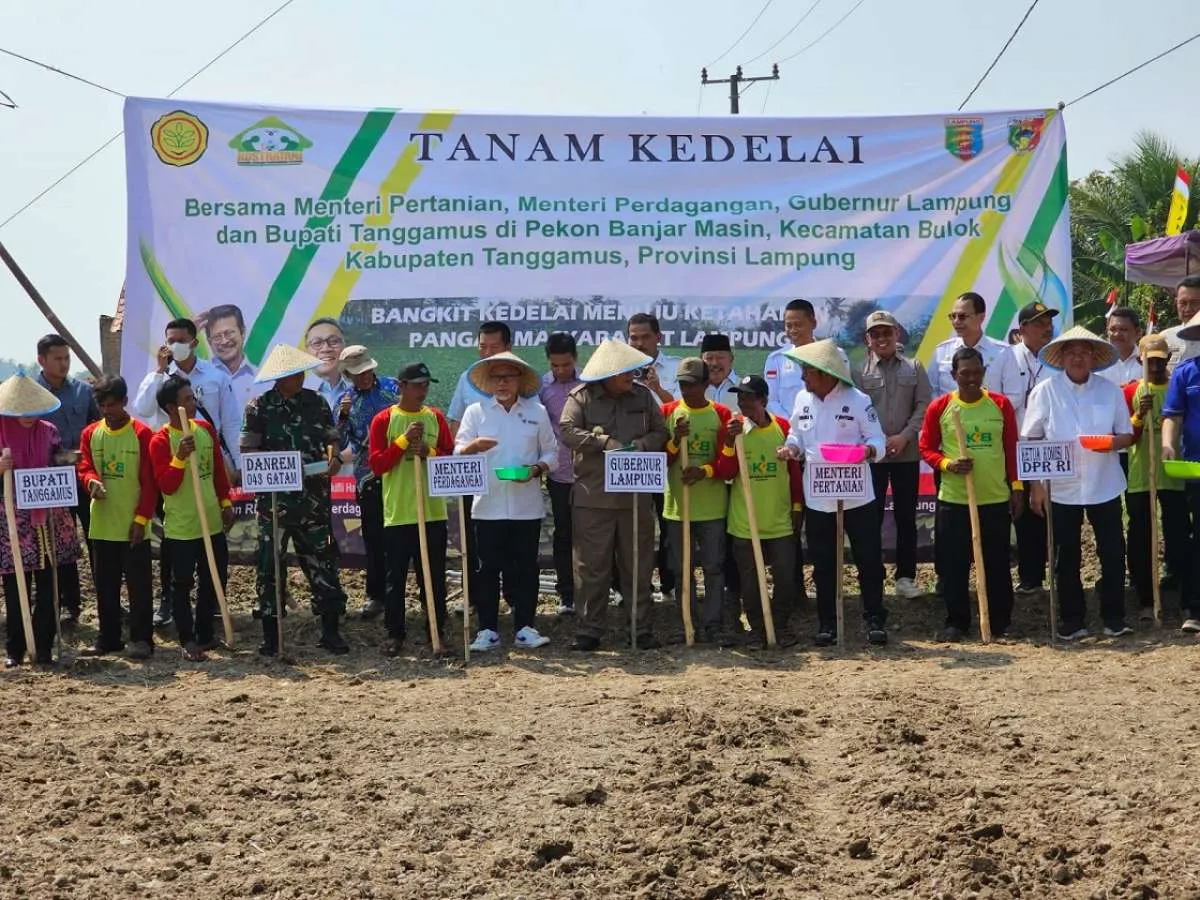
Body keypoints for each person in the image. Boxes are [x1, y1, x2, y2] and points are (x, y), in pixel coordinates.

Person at [1023, 326, 1135, 640]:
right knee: (1065, 556)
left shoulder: (1110, 391)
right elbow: (1030, 440)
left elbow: (1126, 434)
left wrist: (1109, 443)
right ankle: (1072, 621)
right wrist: (1036, 487)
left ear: (1093, 357)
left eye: (1084, 351)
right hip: (1061, 488)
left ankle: (1114, 618)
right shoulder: (1045, 391)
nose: (1077, 357)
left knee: (1113, 552)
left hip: (1105, 483)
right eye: (1071, 351)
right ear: (1061, 357)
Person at [559, 339, 669, 651]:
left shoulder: (643, 396)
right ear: (607, 374)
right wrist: (604, 442)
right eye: (624, 372)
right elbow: (567, 432)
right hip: (594, 498)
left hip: (635, 496)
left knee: (638, 564)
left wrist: (643, 445)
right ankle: (590, 630)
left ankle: (641, 628)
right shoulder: (579, 398)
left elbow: (661, 432)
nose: (630, 376)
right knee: (592, 567)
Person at [242, 344, 349, 656]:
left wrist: (334, 460)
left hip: (314, 500)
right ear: (280, 378)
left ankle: (331, 632)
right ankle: (271, 636)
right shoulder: (258, 407)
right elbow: (249, 452)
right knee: (269, 567)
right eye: (294, 374)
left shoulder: (316, 402)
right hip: (274, 504)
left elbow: (332, 439)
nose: (301, 377)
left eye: (302, 372)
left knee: (323, 563)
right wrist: (281, 467)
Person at [779, 339, 888, 646]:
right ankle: (827, 623)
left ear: (826, 373)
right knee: (824, 562)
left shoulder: (857, 400)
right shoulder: (802, 398)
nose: (802, 378)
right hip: (818, 495)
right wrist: (790, 449)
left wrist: (866, 451)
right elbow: (795, 435)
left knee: (868, 560)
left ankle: (875, 618)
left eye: (807, 373)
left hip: (857, 495)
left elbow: (878, 441)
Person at [133, 317, 241, 628]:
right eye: (170, 339)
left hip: (208, 461)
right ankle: (170, 599)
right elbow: (142, 408)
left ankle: (210, 606)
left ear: (194, 342)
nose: (174, 345)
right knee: (174, 540)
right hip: (169, 466)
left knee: (212, 539)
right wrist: (159, 372)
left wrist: (235, 464)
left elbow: (230, 423)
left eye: (181, 339)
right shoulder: (158, 377)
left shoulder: (215, 376)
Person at [456, 352, 558, 652]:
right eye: (497, 377)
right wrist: (473, 446)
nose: (502, 383)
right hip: (486, 505)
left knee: (526, 568)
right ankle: (487, 629)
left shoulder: (536, 412)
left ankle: (525, 627)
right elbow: (458, 450)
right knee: (486, 569)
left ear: (519, 381)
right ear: (489, 382)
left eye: (508, 377)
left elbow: (552, 453)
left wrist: (536, 469)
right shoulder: (476, 412)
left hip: (527, 505)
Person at [919, 347, 1022, 641]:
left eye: (977, 372)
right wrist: (948, 464)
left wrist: (1016, 488)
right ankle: (957, 622)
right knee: (953, 565)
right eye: (965, 374)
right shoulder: (940, 408)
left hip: (994, 498)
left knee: (997, 564)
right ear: (954, 375)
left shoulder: (1000, 405)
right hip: (954, 500)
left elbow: (1011, 449)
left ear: (984, 373)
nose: (971, 379)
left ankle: (1000, 622)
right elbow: (926, 448)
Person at [368, 362, 454, 656]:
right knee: (395, 579)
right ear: (401, 386)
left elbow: (448, 456)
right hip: (398, 513)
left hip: (432, 513)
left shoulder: (436, 418)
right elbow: (377, 465)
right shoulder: (384, 420)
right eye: (417, 385)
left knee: (434, 577)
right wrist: (404, 441)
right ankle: (394, 634)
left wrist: (428, 452)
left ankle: (436, 631)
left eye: (426, 385)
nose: (423, 391)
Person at [711, 375, 804, 648]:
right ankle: (756, 629)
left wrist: (797, 507)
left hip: (779, 522)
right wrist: (729, 444)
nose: (743, 403)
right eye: (740, 398)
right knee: (750, 583)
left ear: (763, 401)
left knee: (785, 579)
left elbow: (794, 473)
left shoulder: (783, 428)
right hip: (744, 523)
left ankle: (781, 626)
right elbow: (725, 472)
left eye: (749, 398)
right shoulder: (733, 429)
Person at [148, 376, 234, 662]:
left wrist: (225, 503)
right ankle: (187, 639)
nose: (193, 403)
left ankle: (206, 632)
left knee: (214, 578)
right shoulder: (160, 441)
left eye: (193, 398)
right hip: (182, 529)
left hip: (210, 522)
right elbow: (167, 485)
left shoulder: (205, 429)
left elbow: (218, 473)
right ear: (172, 407)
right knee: (181, 585)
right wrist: (179, 458)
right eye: (187, 400)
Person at [0, 372, 83, 667]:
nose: (28, 416)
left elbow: (56, 460)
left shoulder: (48, 430)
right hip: (12, 523)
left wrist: (66, 460)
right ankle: (15, 649)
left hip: (48, 520)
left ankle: (45, 647)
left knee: (49, 586)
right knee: (15, 586)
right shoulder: (0, 432)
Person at [77, 376, 158, 659]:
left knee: (139, 587)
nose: (107, 410)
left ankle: (142, 639)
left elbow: (150, 483)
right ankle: (108, 639)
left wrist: (140, 520)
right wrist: (90, 482)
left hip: (133, 526)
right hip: (101, 525)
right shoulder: (89, 433)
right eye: (102, 405)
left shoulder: (142, 433)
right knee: (105, 587)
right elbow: (85, 466)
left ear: (125, 402)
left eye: (113, 404)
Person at [852, 310, 931, 600]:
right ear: (868, 339)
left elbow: (923, 406)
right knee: (868, 518)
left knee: (906, 517)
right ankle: (872, 576)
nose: (882, 338)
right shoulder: (858, 373)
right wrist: (878, 442)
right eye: (876, 334)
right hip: (873, 458)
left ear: (897, 334)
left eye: (887, 332)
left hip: (906, 455)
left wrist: (904, 436)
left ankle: (905, 577)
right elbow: (858, 412)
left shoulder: (914, 367)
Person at [661, 358, 733, 642]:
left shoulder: (722, 413)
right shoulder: (668, 411)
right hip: (678, 508)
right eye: (682, 385)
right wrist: (675, 441)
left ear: (705, 384)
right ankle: (686, 623)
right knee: (682, 570)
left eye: (692, 385)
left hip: (712, 507)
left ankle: (714, 624)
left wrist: (704, 471)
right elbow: (660, 459)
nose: (686, 391)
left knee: (714, 567)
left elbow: (728, 464)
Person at [991, 301, 1058, 596]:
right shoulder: (1005, 360)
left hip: (1050, 446)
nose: (1047, 328)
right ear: (1023, 329)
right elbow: (992, 404)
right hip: (1015, 448)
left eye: (1049, 323)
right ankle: (1030, 577)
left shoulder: (1057, 358)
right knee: (1024, 512)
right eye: (1040, 323)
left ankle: (1059, 573)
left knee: (1055, 510)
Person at [1124, 335, 1190, 625]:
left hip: (1173, 474)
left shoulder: (1178, 388)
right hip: (1140, 475)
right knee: (1140, 538)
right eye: (1150, 361)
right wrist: (1139, 415)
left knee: (1178, 536)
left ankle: (1181, 595)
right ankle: (1145, 600)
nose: (1155, 367)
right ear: (1140, 360)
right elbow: (1124, 434)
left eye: (1161, 361)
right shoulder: (1130, 392)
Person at [34, 333, 98, 625]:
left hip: (84, 478)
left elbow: (97, 429)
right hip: (51, 483)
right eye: (57, 359)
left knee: (96, 538)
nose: (63, 364)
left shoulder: (84, 392)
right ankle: (69, 604)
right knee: (61, 545)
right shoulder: (32, 394)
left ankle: (106, 600)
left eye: (66, 358)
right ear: (42, 360)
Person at [335, 344, 400, 621]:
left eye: (367, 371)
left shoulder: (393, 388)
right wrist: (343, 417)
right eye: (357, 373)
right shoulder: (345, 400)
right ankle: (376, 595)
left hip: (400, 470)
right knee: (374, 536)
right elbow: (337, 438)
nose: (364, 377)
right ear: (348, 375)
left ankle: (407, 593)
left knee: (402, 534)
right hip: (368, 475)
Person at [627, 313, 678, 601]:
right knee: (634, 526)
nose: (639, 342)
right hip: (633, 458)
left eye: (645, 336)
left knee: (669, 522)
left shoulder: (675, 366)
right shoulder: (619, 368)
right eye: (634, 337)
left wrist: (657, 388)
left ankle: (670, 585)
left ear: (658, 337)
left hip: (667, 455)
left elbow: (683, 408)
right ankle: (634, 587)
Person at [1160, 309, 1200, 633]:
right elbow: (1172, 415)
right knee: (1197, 537)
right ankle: (1195, 608)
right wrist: (1168, 445)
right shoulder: (1186, 373)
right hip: (1196, 468)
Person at [539, 332, 582, 615]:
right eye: (555, 365)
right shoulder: (542, 388)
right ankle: (566, 594)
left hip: (588, 474)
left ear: (575, 360)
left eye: (565, 365)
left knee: (593, 535)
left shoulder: (589, 384)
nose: (561, 370)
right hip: (558, 475)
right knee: (564, 533)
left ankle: (598, 589)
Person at [764, 298, 848, 420]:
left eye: (798, 325)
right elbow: (771, 401)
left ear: (813, 323)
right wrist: (792, 424)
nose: (793, 330)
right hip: (790, 431)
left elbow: (844, 393)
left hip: (828, 427)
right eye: (788, 325)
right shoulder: (776, 360)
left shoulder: (835, 354)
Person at [929, 292, 1009, 398]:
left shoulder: (1003, 352)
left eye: (962, 316)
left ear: (981, 318)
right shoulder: (941, 351)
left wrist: (988, 411)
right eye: (953, 316)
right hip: (949, 413)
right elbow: (931, 391)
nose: (956, 321)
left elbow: (1013, 394)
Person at [448, 322, 513, 435]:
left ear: (508, 347)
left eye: (495, 347)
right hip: (475, 451)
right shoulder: (467, 378)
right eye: (482, 346)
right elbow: (456, 421)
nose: (488, 353)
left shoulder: (522, 377)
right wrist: (460, 451)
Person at [202, 304, 261, 409]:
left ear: (242, 332)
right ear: (209, 342)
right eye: (217, 337)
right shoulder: (199, 378)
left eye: (229, 333)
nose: (224, 341)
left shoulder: (262, 379)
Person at [302, 318, 351, 412]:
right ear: (306, 351)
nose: (326, 349)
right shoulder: (295, 392)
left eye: (333, 341)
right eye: (317, 343)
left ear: (345, 347)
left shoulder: (358, 389)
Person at [1161, 276, 1200, 373]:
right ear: (1176, 303)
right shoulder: (1164, 338)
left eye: (1194, 303)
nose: (1188, 309)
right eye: (1183, 303)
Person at [1102, 307, 1144, 387]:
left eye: (1123, 329)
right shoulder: (1099, 362)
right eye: (1113, 329)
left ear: (1138, 332)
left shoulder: (1147, 361)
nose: (1117, 334)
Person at [700, 333, 738, 407]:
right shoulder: (693, 390)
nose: (715, 363)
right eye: (709, 358)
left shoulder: (745, 389)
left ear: (731, 359)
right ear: (701, 360)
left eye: (720, 357)